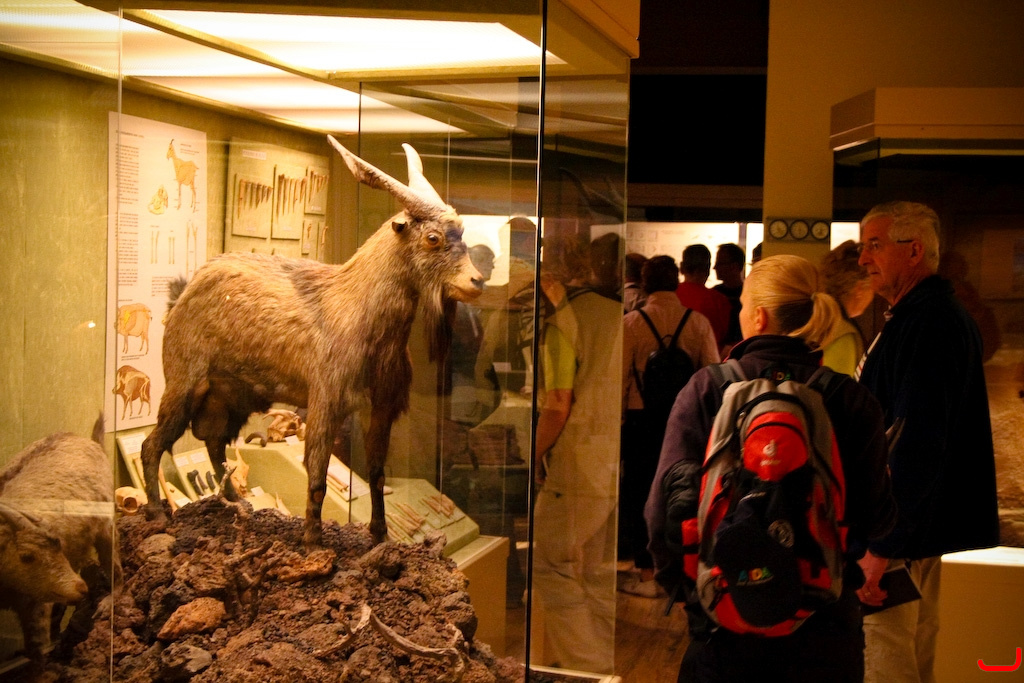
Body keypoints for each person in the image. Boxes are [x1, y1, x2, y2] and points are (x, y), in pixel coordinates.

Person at [647, 254, 896, 683]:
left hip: (723, 617)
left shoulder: (707, 389)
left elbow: (661, 512)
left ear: (759, 317)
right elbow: (879, 520)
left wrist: (689, 592)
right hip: (824, 624)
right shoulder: (851, 399)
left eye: (744, 305)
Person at [855, 201, 999, 683]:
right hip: (915, 532)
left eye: (875, 245)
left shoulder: (930, 322)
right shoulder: (922, 316)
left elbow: (916, 440)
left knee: (889, 654)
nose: (863, 258)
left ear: (914, 250)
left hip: (905, 535)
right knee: (912, 650)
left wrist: (882, 544)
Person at [532, 234, 622, 674]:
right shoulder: (615, 313)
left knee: (551, 563)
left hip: (576, 464)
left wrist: (533, 454)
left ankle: (586, 667)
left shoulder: (564, 322)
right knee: (598, 573)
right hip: (610, 460)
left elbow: (557, 404)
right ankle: (600, 662)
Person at [620, 255, 719, 597]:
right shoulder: (697, 322)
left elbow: (620, 378)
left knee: (638, 490)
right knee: (682, 488)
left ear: (645, 284)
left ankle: (647, 571)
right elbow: (711, 372)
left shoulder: (632, 322)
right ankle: (681, 562)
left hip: (640, 418)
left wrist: (619, 420)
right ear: (676, 281)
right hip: (685, 418)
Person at [819, 240, 874, 376]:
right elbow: (837, 387)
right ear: (860, 289)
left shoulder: (817, 317)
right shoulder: (842, 333)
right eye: (873, 289)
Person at [676, 244, 731, 351]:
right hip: (710, 357)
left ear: (682, 268)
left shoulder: (671, 296)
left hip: (675, 358)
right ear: (707, 269)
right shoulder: (719, 301)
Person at [712, 243, 746, 353]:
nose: (714, 267)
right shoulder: (714, 293)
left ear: (734, 266)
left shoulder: (748, 294)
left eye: (719, 263)